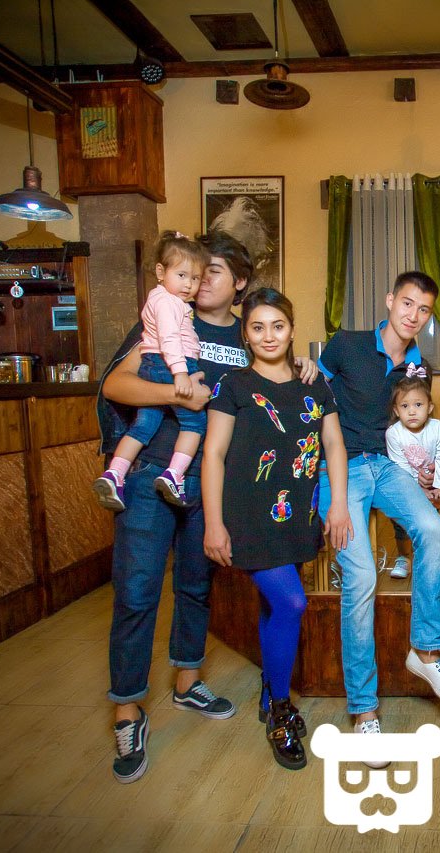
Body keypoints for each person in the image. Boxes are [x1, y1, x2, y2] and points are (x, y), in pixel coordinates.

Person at [96, 230, 319, 784]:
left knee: (196, 586)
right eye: (193, 271)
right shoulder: (168, 317)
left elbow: (273, 384)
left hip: (214, 483)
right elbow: (116, 385)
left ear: (239, 282)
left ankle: (187, 681)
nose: (198, 280)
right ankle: (127, 710)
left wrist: (303, 368)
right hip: (152, 469)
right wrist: (177, 393)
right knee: (137, 591)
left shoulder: (249, 336)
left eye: (211, 271)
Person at [316, 270, 440, 756]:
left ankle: (425, 650)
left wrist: (428, 467)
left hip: (385, 465)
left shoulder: (417, 366)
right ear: (389, 300)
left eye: (424, 310)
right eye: (407, 303)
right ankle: (365, 710)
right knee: (361, 577)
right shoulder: (347, 344)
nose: (413, 315)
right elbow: (309, 397)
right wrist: (330, 493)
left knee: (432, 528)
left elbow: (412, 422)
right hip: (339, 467)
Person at [201, 287, 352, 771]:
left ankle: (269, 695)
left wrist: (339, 505)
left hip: (297, 515)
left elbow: (334, 446)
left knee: (274, 607)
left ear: (291, 330)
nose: (269, 336)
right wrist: (213, 523)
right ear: (245, 335)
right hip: (247, 516)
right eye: (258, 327)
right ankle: (281, 711)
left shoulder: (315, 384)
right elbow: (213, 454)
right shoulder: (233, 385)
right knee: (291, 602)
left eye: (278, 326)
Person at [94, 232, 211, 511]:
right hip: (172, 365)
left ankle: (115, 473)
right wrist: (180, 375)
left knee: (144, 424)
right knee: (195, 423)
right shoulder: (169, 303)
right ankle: (174, 474)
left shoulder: (160, 299)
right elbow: (169, 339)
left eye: (195, 278)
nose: (189, 285)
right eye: (182, 275)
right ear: (160, 272)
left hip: (151, 365)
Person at [384, 376, 440, 580]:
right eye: (405, 406)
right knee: (401, 522)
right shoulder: (394, 433)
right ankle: (404, 557)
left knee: (430, 521)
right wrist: (415, 489)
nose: (412, 411)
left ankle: (426, 558)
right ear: (396, 411)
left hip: (431, 484)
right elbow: (400, 467)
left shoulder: (437, 427)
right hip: (403, 484)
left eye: (418, 405)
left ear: (429, 407)